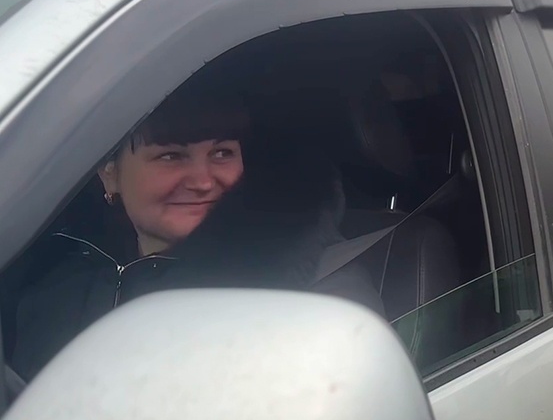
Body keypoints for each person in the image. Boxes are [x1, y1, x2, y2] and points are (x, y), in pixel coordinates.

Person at [6, 76, 383, 381]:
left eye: (222, 153)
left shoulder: (316, 296)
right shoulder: (51, 272)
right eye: (172, 156)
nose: (203, 181)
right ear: (109, 173)